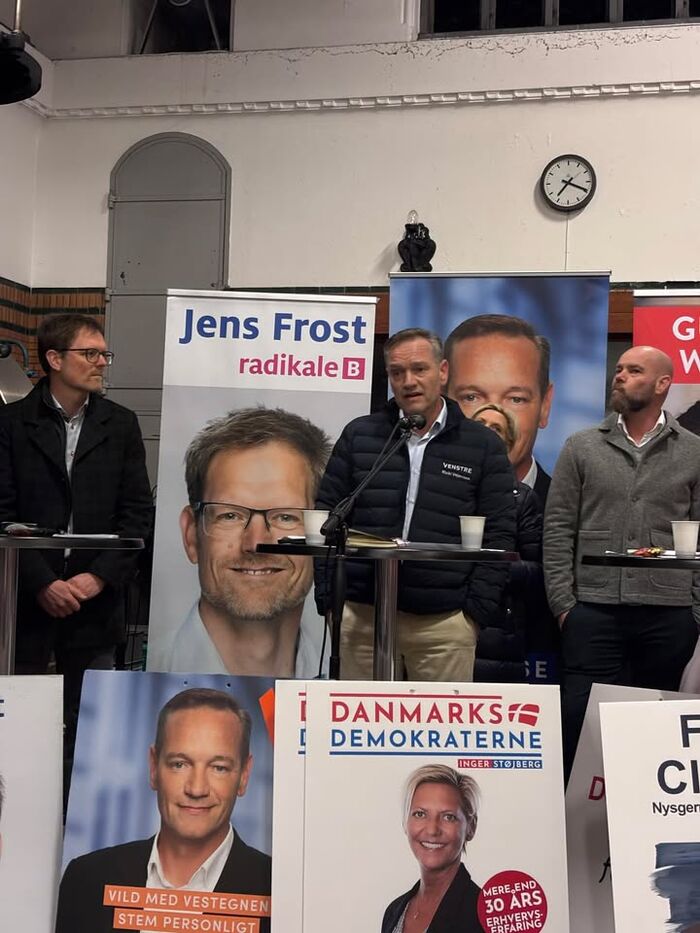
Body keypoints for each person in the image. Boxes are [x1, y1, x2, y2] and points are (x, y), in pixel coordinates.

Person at [315, 327, 516, 681]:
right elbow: (326, 515)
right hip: (362, 616)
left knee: (442, 720)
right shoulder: (360, 435)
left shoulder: (482, 444)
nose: (408, 381)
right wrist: (330, 600)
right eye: (397, 372)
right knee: (361, 719)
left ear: (443, 371)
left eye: (419, 369)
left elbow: (499, 532)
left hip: (444, 622)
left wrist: (473, 613)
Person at [544, 345, 700, 775]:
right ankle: (576, 818)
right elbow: (557, 529)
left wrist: (695, 611)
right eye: (619, 368)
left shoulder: (693, 451)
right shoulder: (581, 446)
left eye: (634, 370)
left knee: (656, 729)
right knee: (579, 725)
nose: (620, 376)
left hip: (669, 614)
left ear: (662, 384)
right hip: (592, 611)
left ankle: (645, 813)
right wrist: (564, 605)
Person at [0, 313, 152, 753]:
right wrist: (42, 582)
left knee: (91, 730)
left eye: (104, 354)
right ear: (54, 359)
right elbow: (2, 514)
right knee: (20, 728)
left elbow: (137, 514)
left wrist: (98, 577)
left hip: (95, 603)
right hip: (23, 601)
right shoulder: (11, 423)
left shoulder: (120, 424)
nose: (102, 362)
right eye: (90, 353)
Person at [55, 687, 271, 933]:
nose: (197, 788)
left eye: (218, 767)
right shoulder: (86, 878)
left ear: (244, 775)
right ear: (154, 767)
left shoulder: (277, 889)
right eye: (180, 764)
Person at [167, 407, 332, 678]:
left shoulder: (354, 683)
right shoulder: (144, 684)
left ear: (323, 536)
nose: (256, 543)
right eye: (230, 515)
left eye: (286, 517)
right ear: (191, 535)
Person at [469, 404, 547, 683]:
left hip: (501, 627)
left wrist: (491, 566)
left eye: (496, 428)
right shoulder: (446, 492)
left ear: (508, 444)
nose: (486, 431)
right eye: (480, 423)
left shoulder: (523, 499)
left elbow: (538, 572)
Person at [445, 314, 554, 504]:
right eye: (471, 397)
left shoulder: (570, 511)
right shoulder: (415, 501)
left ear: (545, 405)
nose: (493, 417)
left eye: (516, 399)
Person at [381, 764, 482, 933]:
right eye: (420, 814)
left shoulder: (485, 916)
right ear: (405, 822)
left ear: (471, 827)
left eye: (448, 817)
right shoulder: (394, 911)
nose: (432, 830)